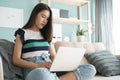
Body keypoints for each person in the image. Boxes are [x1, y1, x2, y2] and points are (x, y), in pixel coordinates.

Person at [12, 3, 96, 80]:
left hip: (50, 69)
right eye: (43, 16)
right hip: (34, 70)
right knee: (41, 73)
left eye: (47, 19)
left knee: (90, 68)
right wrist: (38, 66)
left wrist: (62, 65)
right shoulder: (22, 33)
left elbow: (53, 56)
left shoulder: (47, 35)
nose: (45, 21)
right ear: (35, 15)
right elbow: (16, 60)